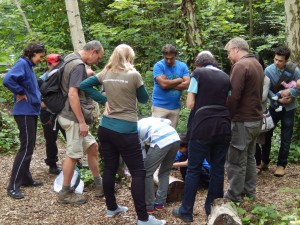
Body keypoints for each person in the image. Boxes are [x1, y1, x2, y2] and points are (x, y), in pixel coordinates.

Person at [80, 44, 166, 225]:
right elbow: (143, 99)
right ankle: (143, 218)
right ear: (129, 57)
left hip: (106, 129)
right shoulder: (133, 75)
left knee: (110, 167)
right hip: (126, 130)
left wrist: (104, 99)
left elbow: (84, 85)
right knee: (138, 172)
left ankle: (112, 208)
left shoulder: (105, 73)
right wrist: (115, 96)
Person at [172, 51, 231, 222]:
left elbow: (190, 104)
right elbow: (227, 102)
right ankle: (213, 209)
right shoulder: (226, 77)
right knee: (218, 170)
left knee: (193, 169)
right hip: (223, 126)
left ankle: (186, 211)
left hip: (202, 127)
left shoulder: (198, 74)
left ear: (198, 65)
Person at [56, 40, 104, 205]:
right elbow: (72, 94)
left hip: (65, 113)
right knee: (73, 155)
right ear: (92, 52)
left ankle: (99, 184)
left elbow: (72, 80)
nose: (97, 62)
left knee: (92, 147)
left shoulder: (71, 58)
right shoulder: (78, 66)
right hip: (73, 117)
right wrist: (82, 122)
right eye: (98, 58)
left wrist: (89, 74)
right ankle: (65, 193)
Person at [3, 42, 47, 199]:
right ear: (32, 53)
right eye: (40, 56)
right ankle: (13, 185)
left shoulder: (28, 66)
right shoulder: (22, 63)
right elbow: (8, 79)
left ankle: (26, 179)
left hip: (31, 111)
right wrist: (20, 91)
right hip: (24, 112)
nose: (41, 59)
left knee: (30, 145)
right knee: (26, 147)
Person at [224, 37, 264, 202]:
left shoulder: (240, 65)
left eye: (228, 52)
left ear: (236, 49)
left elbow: (234, 96)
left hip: (243, 120)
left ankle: (234, 196)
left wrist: (228, 116)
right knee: (249, 157)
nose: (228, 56)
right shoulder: (256, 63)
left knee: (236, 160)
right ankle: (249, 192)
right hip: (255, 119)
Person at [261, 46, 300, 177]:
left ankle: (281, 165)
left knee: (286, 137)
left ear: (286, 60)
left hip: (289, 107)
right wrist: (277, 98)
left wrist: (289, 93)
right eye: (275, 59)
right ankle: (264, 161)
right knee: (266, 134)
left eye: (280, 60)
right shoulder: (268, 70)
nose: (277, 62)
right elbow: (267, 89)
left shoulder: (294, 70)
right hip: (273, 106)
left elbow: (298, 88)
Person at [137, 117, 180, 214]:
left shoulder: (134, 130)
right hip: (175, 138)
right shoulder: (148, 120)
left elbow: (142, 149)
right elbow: (169, 121)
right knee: (164, 172)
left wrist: (144, 163)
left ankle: (149, 206)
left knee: (147, 173)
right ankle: (160, 203)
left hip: (161, 140)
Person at [152, 44, 190, 128]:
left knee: (171, 136)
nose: (168, 61)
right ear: (163, 56)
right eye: (166, 58)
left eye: (171, 58)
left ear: (175, 55)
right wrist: (179, 80)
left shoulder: (182, 66)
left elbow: (187, 84)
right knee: (157, 133)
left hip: (175, 107)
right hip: (159, 106)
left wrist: (168, 83)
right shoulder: (158, 66)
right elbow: (163, 85)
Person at [39, 53, 65, 175]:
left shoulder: (61, 76)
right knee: (51, 139)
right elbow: (37, 97)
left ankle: (76, 161)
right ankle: (52, 164)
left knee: (69, 136)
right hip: (48, 114)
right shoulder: (41, 80)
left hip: (62, 112)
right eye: (52, 65)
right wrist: (42, 104)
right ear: (47, 64)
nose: (55, 67)